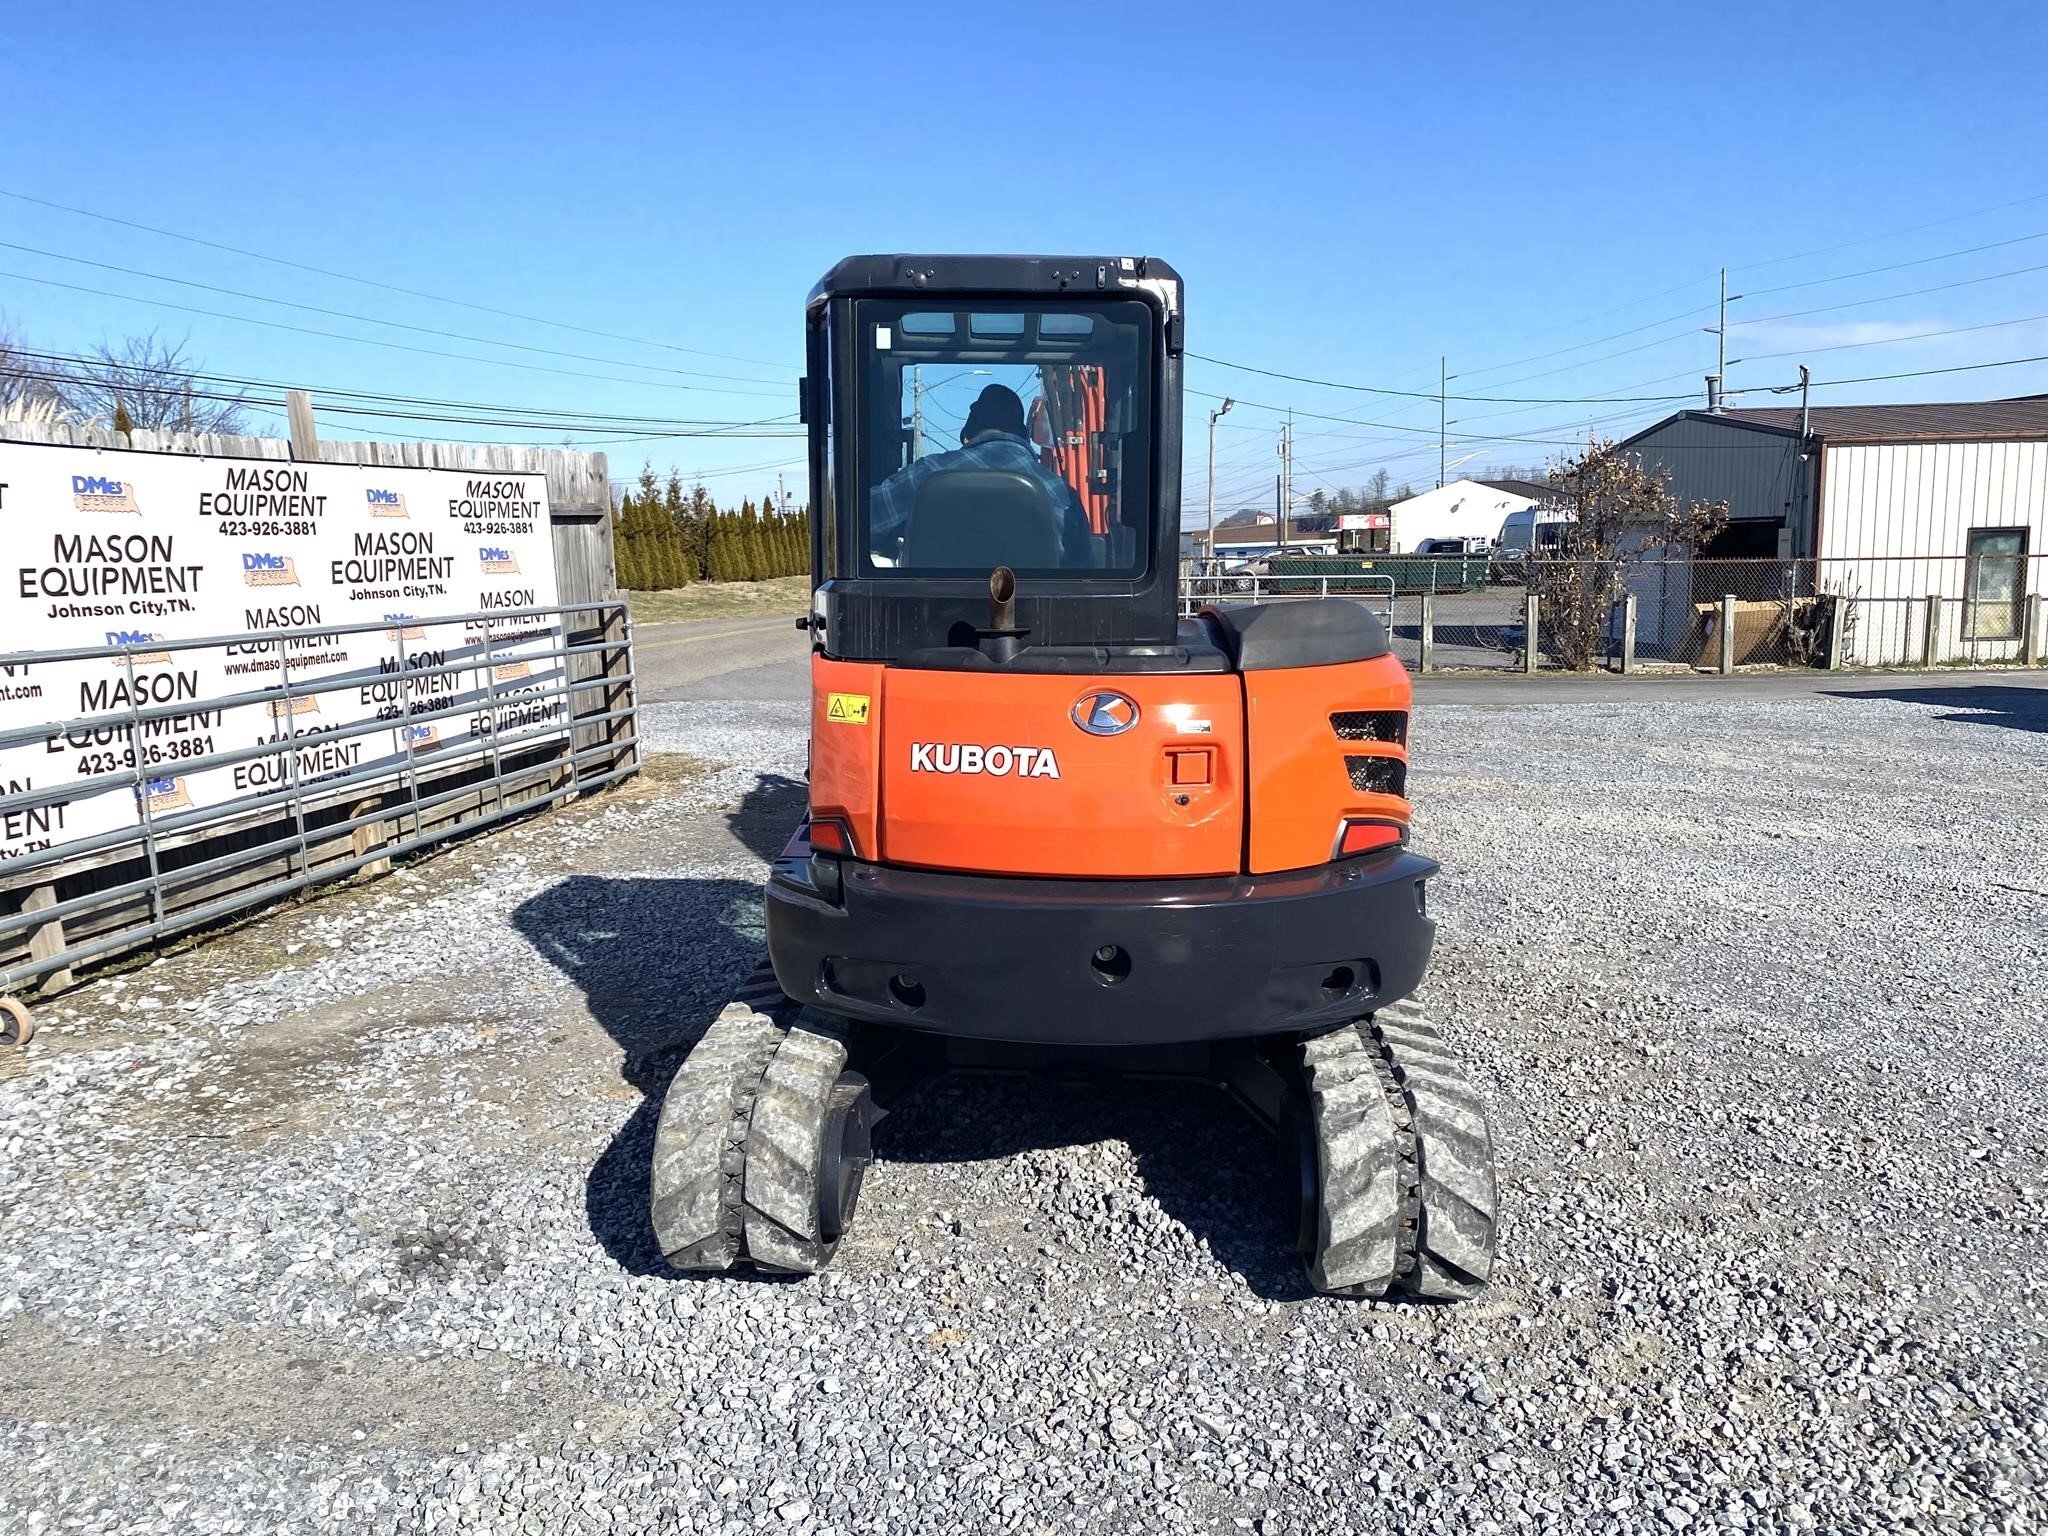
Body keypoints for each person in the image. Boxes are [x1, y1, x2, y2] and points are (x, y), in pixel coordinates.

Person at [868, 383, 1093, 563]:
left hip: (931, 614)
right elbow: (1082, 572)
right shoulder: (1060, 493)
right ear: (1024, 433)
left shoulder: (928, 474)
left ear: (968, 430)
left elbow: (864, 521)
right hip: (1038, 616)